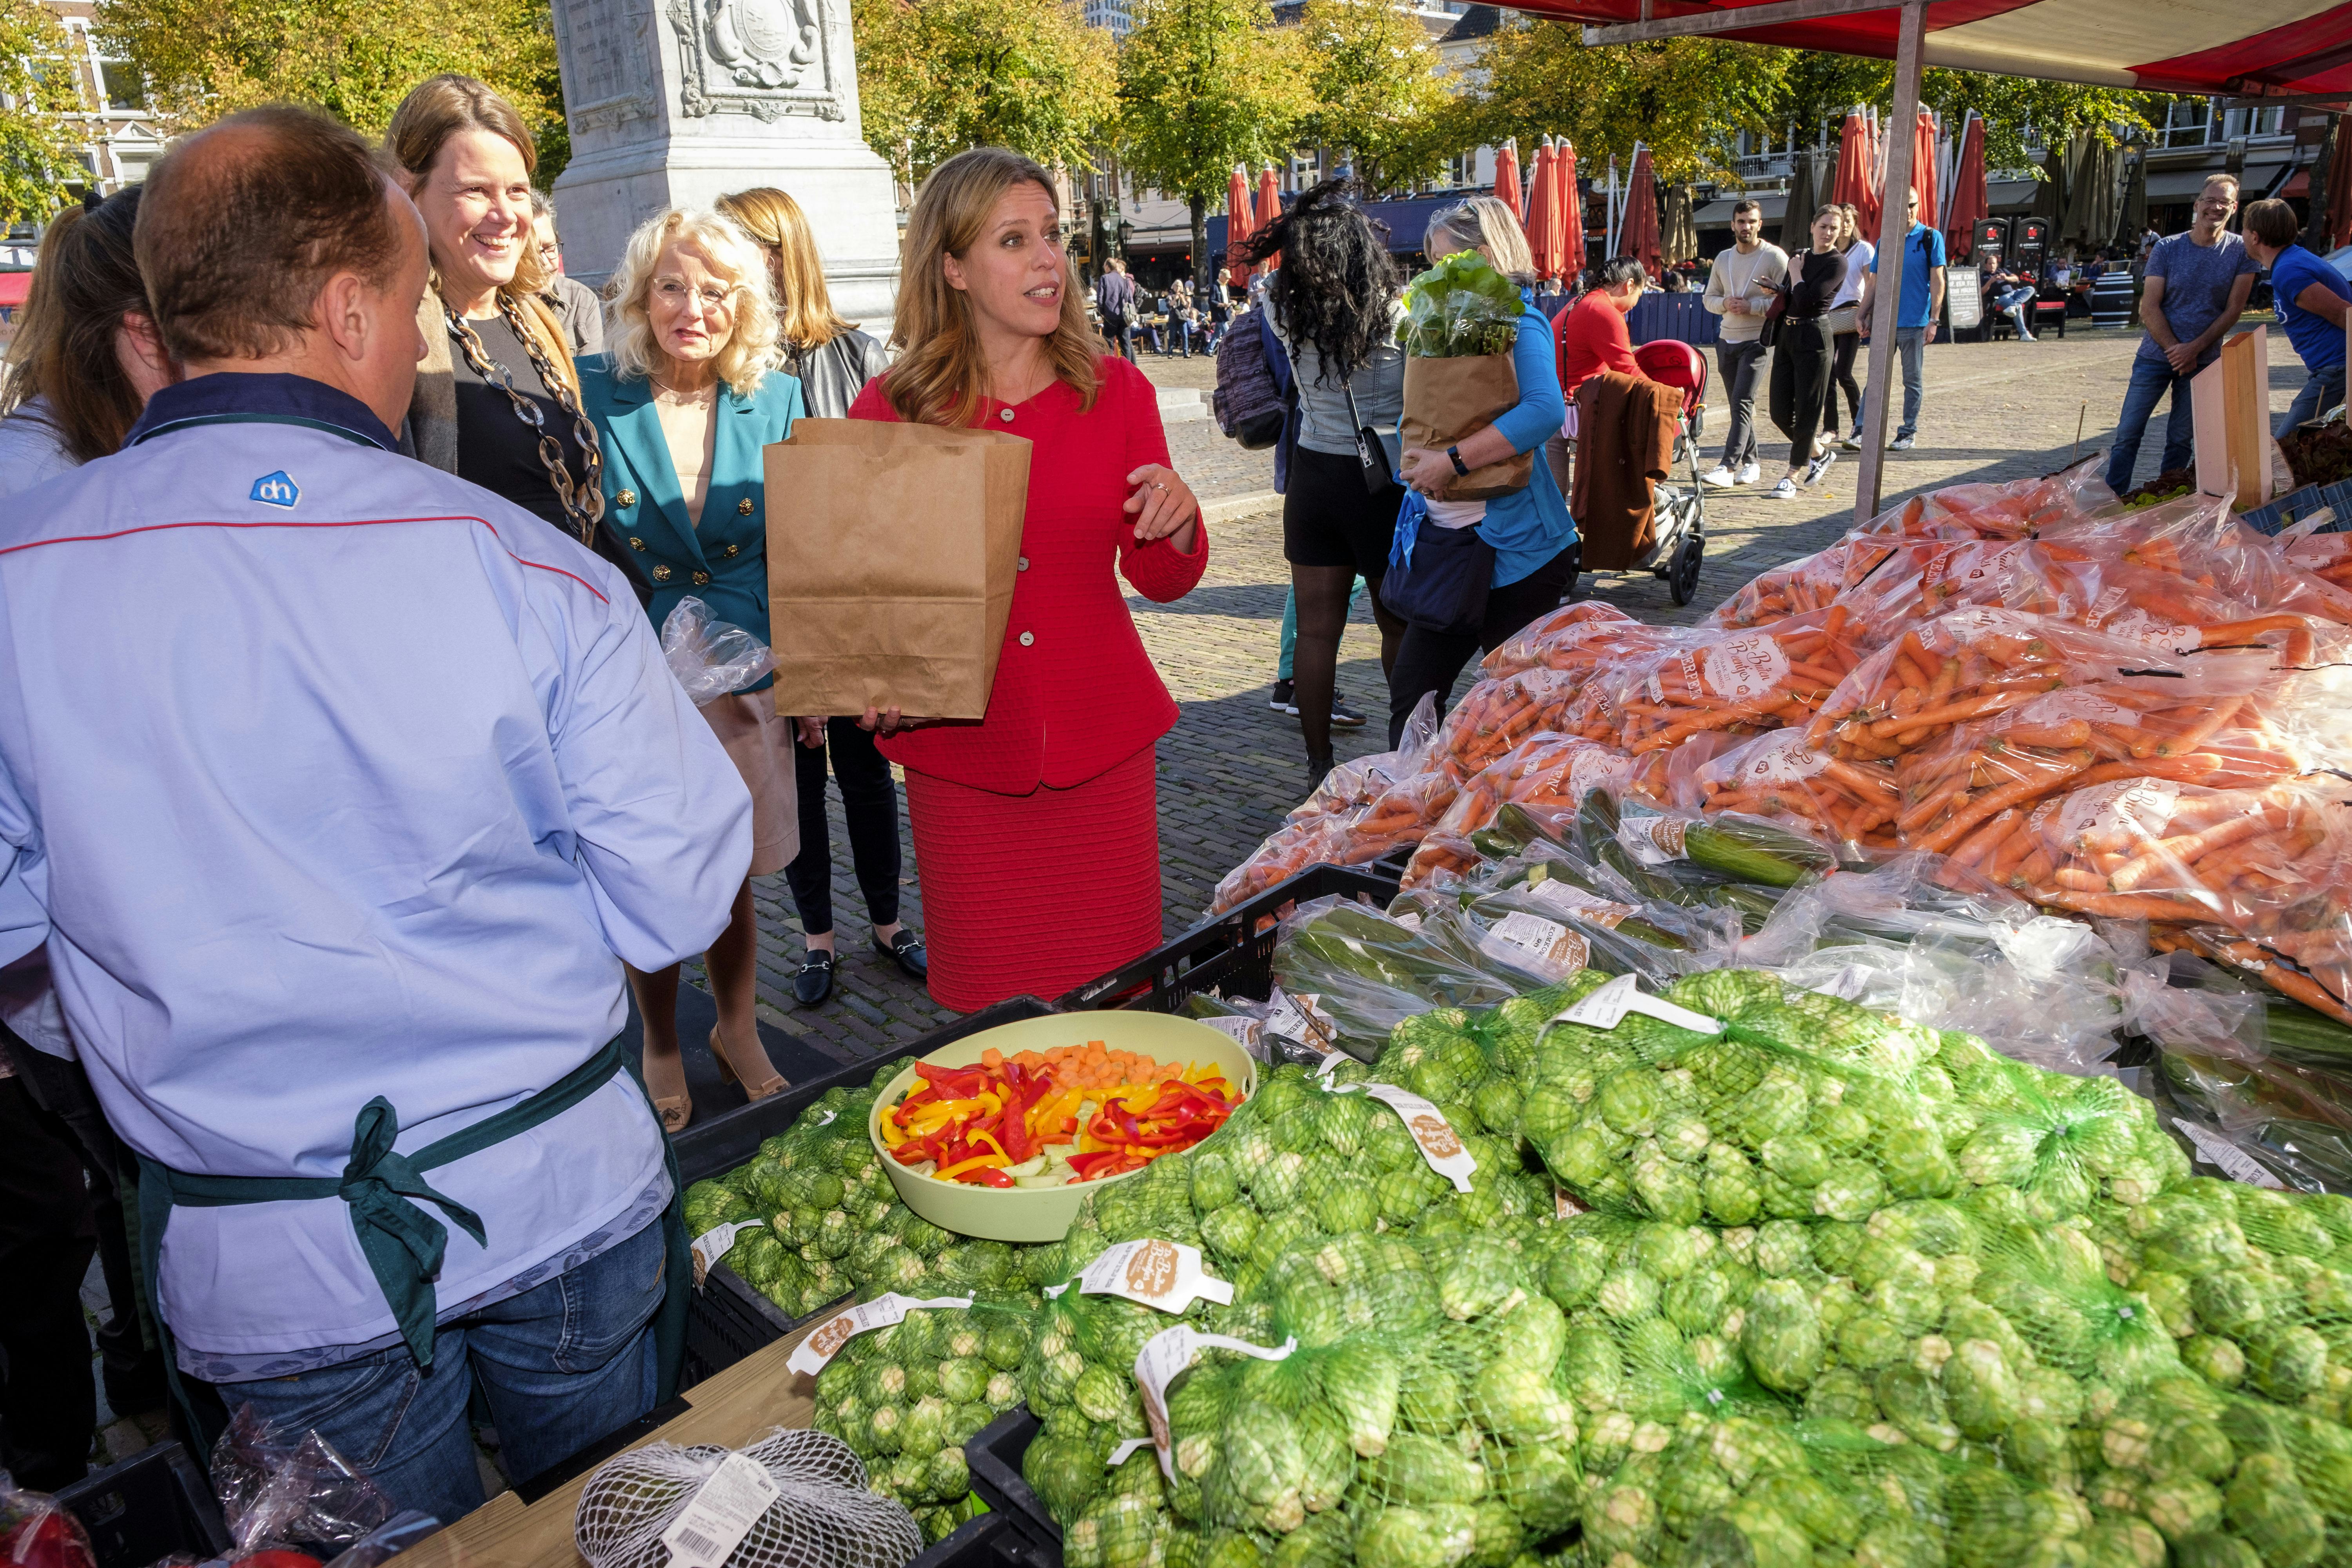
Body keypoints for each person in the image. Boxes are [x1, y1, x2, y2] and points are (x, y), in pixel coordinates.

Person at [0, 103, 748, 1524]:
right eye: (406, 307)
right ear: (347, 309)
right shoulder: (526, 570)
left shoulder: (21, 572)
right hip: (558, 1195)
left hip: (264, 1251)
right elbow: (673, 888)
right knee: (630, 1527)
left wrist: (166, 1019)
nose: (415, 345)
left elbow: (18, 947)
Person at [847, 147, 1205, 1011]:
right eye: (1015, 239)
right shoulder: (888, 410)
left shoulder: (1116, 391)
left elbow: (1159, 577)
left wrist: (1181, 515)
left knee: (1121, 1021)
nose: (1049, 259)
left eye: (1052, 235)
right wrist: (870, 679)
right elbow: (868, 602)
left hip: (1101, 754)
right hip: (965, 767)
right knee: (993, 1031)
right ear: (953, 268)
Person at [0, 185, 177, 1490]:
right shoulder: (47, 494)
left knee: (129, 1215)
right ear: (144, 335)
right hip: (70, 974)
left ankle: (151, 1387)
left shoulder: (107, 466)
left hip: (99, 969)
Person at [577, 211, 802, 1127]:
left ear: (742, 305)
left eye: (715, 290)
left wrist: (815, 668)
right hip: (637, 675)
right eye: (672, 285)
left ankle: (738, 1026)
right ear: (639, 296)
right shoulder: (595, 390)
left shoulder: (778, 400)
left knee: (734, 869)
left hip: (747, 675)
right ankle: (663, 1037)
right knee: (650, 870)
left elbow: (808, 547)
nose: (691, 307)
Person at [712, 186, 918, 1011]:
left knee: (867, 775)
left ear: (778, 252)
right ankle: (817, 940)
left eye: (741, 245)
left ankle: (889, 923)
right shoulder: (730, 370)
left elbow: (893, 498)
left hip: (856, 607)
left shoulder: (858, 354)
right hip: (771, 611)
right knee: (799, 782)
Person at [386, 76, 610, 561]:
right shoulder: (395, 335)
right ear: (408, 191)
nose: (506, 214)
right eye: (476, 190)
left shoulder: (535, 317)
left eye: (516, 191)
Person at [1390, 197, 1577, 746]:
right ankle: (1407, 815)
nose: (1438, 279)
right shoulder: (1445, 325)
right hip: (1450, 550)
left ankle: (1514, 817)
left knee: (1515, 709)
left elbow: (1544, 409)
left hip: (1519, 555)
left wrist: (1451, 461)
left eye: (1449, 265)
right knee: (1414, 694)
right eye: (1433, 267)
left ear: (1490, 256)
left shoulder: (1520, 317)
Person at [1244, 179, 1409, 784]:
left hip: (1313, 476)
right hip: (1380, 480)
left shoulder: (1280, 307)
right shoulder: (1397, 316)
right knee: (1397, 625)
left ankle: (1318, 766)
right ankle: (1409, 753)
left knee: (1317, 632)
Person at [2104, 175, 2259, 494]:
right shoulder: (2168, 248)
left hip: (2203, 362)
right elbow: (2149, 308)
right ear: (2197, 204)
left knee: (2181, 439)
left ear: (2234, 208)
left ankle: (2166, 497)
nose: (2215, 207)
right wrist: (2177, 349)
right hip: (2154, 357)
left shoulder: (2241, 252)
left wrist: (2195, 350)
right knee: (2128, 433)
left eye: (2224, 202)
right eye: (2210, 200)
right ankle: (2111, 497)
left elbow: (2233, 311)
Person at [2243, 197, 2351, 436]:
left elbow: (2342, 312)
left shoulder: (2289, 272)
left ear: (2254, 236)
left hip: (2337, 369)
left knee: (2288, 450)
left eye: (2244, 230)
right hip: (2335, 369)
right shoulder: (2293, 260)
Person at [1699, 198, 1786, 486]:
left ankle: (1727, 466)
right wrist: (1725, 303)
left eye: (1751, 221)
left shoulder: (1774, 257)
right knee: (1740, 407)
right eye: (1741, 221)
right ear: (1732, 225)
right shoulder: (1723, 259)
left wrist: (1753, 307)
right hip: (1727, 340)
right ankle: (1753, 461)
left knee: (1742, 401)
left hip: (1757, 341)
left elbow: (1785, 299)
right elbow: (1708, 298)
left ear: (1760, 224)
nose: (1746, 227)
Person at [1764, 205, 1847, 501]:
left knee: (1809, 412)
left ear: (1841, 232)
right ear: (1813, 227)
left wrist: (1795, 274)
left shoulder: (1838, 263)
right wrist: (1779, 289)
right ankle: (1820, 454)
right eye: (1823, 226)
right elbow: (1793, 298)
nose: (1827, 233)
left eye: (1834, 228)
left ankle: (1791, 476)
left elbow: (1810, 300)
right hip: (1788, 333)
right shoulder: (1800, 257)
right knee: (1779, 412)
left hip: (1815, 336)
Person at [1860, 187, 1947, 451]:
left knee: (1912, 380)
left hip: (1916, 323)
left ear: (1918, 206)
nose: (1907, 210)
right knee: (1875, 379)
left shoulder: (1931, 237)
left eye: (1912, 205)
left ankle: (1907, 432)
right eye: (1901, 206)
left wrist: (1934, 320)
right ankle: (1862, 429)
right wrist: (1862, 314)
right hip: (1885, 323)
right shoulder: (1885, 242)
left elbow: (1938, 279)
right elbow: (1873, 284)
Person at [1555, 257, 1645, 403]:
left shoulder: (1584, 302)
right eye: (1639, 295)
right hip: (1578, 406)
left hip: (1559, 398)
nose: (1635, 303)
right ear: (1629, 285)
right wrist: (1665, 393)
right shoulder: (1604, 312)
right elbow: (1628, 371)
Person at [530, 190, 604, 356]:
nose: (543, 262)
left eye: (549, 248)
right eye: (531, 253)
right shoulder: (493, 306)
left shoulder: (582, 301)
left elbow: (590, 377)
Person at [1826, 204, 1872, 448]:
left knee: (1843, 372)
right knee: (1826, 375)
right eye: (1840, 220)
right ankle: (1830, 427)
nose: (1843, 226)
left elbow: (1870, 283)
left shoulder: (1863, 249)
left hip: (1851, 314)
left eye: (1848, 221)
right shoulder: (1829, 251)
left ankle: (1859, 424)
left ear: (1854, 224)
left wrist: (1866, 315)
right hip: (1827, 316)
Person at [1096, 258, 1139, 363]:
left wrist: (1102, 312)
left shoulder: (1105, 278)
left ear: (1107, 267)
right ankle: (1128, 367)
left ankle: (1111, 366)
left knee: (1109, 344)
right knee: (1125, 344)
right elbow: (1130, 299)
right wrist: (1132, 314)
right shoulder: (1124, 280)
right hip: (1124, 317)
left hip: (1110, 315)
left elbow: (1100, 298)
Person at [1987, 257, 2039, 341]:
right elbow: (1982, 292)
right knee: (2019, 307)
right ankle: (2024, 334)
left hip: (2014, 293)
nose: (1992, 266)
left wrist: (2006, 278)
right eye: (1990, 264)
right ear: (1986, 265)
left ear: (1997, 265)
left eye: (1994, 264)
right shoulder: (1985, 276)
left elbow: (2016, 278)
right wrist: (1990, 282)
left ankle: (2014, 305)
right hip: (2001, 297)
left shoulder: (2002, 271)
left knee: (2031, 289)